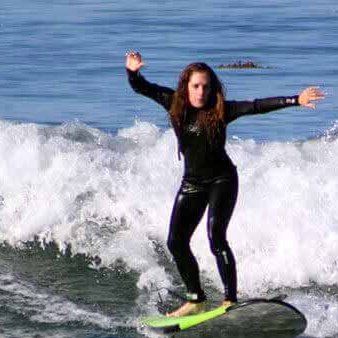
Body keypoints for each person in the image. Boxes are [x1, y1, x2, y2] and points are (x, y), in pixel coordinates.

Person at [125, 50, 325, 317]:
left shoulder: (220, 111)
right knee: (175, 242)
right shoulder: (172, 102)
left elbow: (256, 105)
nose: (200, 92)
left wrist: (295, 100)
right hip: (192, 183)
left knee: (216, 238)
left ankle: (230, 300)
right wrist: (133, 71)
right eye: (195, 86)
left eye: (206, 87)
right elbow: (142, 87)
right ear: (186, 86)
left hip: (223, 180)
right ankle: (195, 299)